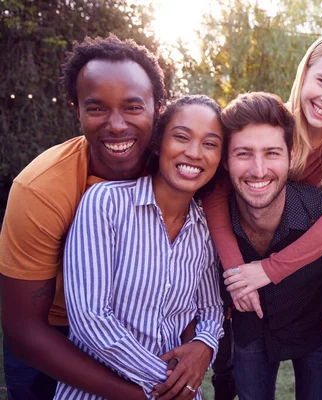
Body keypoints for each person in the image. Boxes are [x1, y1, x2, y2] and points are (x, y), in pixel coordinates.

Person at [0, 35, 166, 399]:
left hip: (139, 329)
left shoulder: (177, 170)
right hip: (54, 338)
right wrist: (135, 394)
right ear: (77, 110)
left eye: (133, 107)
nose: (117, 125)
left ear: (158, 107)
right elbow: (22, 329)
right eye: (97, 109)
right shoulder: (40, 189)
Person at [53, 95, 225, 399]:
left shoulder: (205, 230)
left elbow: (210, 308)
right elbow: (89, 318)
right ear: (159, 143)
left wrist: (204, 345)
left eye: (210, 144)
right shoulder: (107, 203)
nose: (194, 152)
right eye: (181, 137)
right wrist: (169, 381)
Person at [206, 29, 322, 314]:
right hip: (249, 253)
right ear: (305, 72)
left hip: (313, 272)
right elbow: (215, 194)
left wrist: (269, 269)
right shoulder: (272, 124)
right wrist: (238, 274)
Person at [220, 92, 322, 400]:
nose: (259, 170)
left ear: (291, 156)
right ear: (225, 160)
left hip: (315, 330)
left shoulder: (321, 211)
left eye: (272, 153)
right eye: (244, 154)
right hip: (251, 332)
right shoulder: (213, 215)